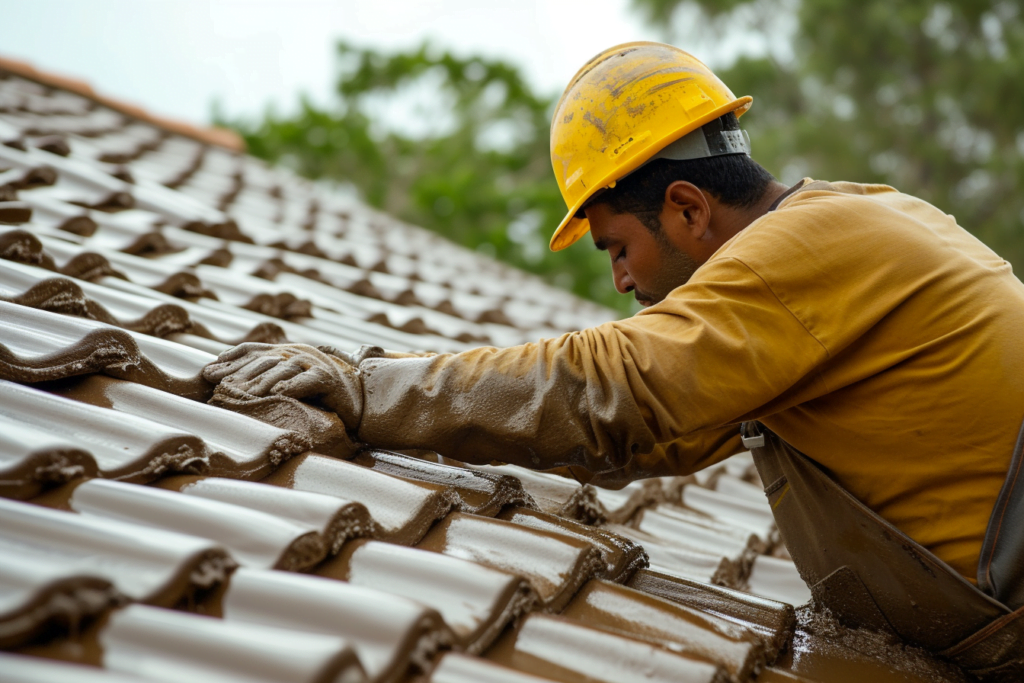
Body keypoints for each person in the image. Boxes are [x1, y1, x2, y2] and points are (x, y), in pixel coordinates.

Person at [203, 42, 1023, 676]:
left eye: (618, 247)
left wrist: (365, 385)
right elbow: (648, 439)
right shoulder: (858, 221)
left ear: (689, 207)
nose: (623, 280)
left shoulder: (805, 251)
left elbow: (612, 392)